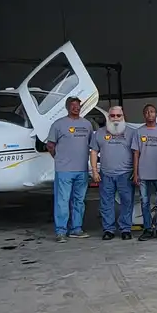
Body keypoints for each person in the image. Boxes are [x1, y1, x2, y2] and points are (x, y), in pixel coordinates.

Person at [44, 96, 97, 242]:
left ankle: (76, 229)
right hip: (64, 170)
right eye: (73, 105)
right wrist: (58, 158)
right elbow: (50, 145)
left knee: (79, 201)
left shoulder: (87, 124)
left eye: (78, 105)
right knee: (62, 201)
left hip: (82, 170)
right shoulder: (58, 124)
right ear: (67, 107)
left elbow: (92, 145)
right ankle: (61, 231)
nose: (76, 108)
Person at [129, 103, 157, 241]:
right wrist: (136, 173)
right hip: (144, 173)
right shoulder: (138, 132)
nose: (149, 114)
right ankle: (147, 229)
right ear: (144, 115)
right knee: (144, 202)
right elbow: (136, 153)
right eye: (147, 112)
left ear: (156, 114)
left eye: (152, 111)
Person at [94, 104, 135, 240]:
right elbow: (94, 151)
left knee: (127, 202)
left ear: (123, 116)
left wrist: (136, 171)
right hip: (106, 174)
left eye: (119, 115)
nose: (116, 118)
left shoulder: (131, 133)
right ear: (108, 117)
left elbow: (136, 153)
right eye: (112, 115)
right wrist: (95, 171)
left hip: (126, 174)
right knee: (106, 203)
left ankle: (125, 229)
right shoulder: (100, 133)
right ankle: (108, 230)